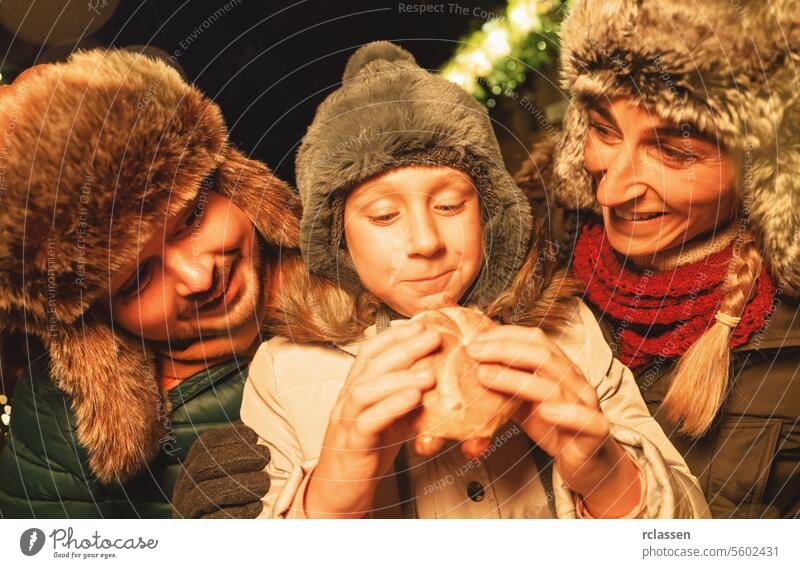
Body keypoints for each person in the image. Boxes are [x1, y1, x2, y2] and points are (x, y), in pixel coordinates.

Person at [225, 41, 708, 519]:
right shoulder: (285, 372)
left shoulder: (567, 332)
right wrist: (328, 501)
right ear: (338, 238)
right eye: (384, 215)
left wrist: (608, 471)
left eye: (450, 205)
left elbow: (692, 530)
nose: (425, 241)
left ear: (488, 214)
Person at [0, 49, 301, 518]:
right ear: (92, 319)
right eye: (137, 280)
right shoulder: (56, 425)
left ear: (231, 181)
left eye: (193, 218)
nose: (199, 276)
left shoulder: (383, 280)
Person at [550, 0, 800, 518]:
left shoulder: (789, 358)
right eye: (602, 130)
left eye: (676, 153)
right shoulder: (531, 271)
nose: (613, 190)